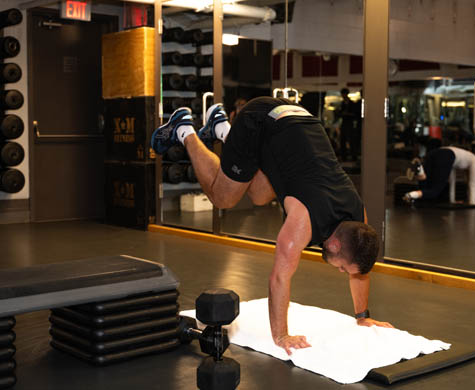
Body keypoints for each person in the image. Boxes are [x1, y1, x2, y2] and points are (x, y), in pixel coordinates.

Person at [151, 97, 393, 355]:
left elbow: (360, 272)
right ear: (334, 244)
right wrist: (281, 336)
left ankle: (221, 128)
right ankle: (184, 129)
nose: (342, 272)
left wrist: (362, 316)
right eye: (343, 267)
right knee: (224, 196)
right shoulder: (303, 222)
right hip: (260, 121)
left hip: (297, 122)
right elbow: (279, 278)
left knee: (258, 195)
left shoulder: (357, 221)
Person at [403, 146, 475, 205]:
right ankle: (410, 195)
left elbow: (452, 180)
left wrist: (452, 201)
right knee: (435, 190)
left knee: (426, 184)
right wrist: (472, 202)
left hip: (435, 152)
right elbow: (472, 183)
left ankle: (420, 171)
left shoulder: (462, 156)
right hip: (447, 155)